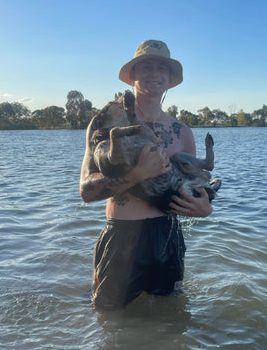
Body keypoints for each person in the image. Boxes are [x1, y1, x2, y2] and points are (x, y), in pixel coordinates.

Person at [79, 40, 213, 309]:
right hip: (123, 237)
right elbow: (86, 190)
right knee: (109, 319)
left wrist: (204, 209)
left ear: (169, 78)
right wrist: (137, 174)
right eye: (146, 67)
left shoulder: (182, 131)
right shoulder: (106, 122)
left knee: (172, 321)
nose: (155, 73)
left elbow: (197, 186)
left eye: (162, 68)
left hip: (169, 237)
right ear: (133, 75)